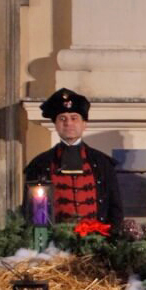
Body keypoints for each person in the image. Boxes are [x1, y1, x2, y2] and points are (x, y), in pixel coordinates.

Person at [24, 88, 123, 229]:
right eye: (62, 118)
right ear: (56, 125)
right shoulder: (39, 164)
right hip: (54, 245)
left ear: (84, 124)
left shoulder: (102, 163)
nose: (68, 123)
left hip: (97, 242)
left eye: (74, 118)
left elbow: (116, 209)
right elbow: (30, 213)